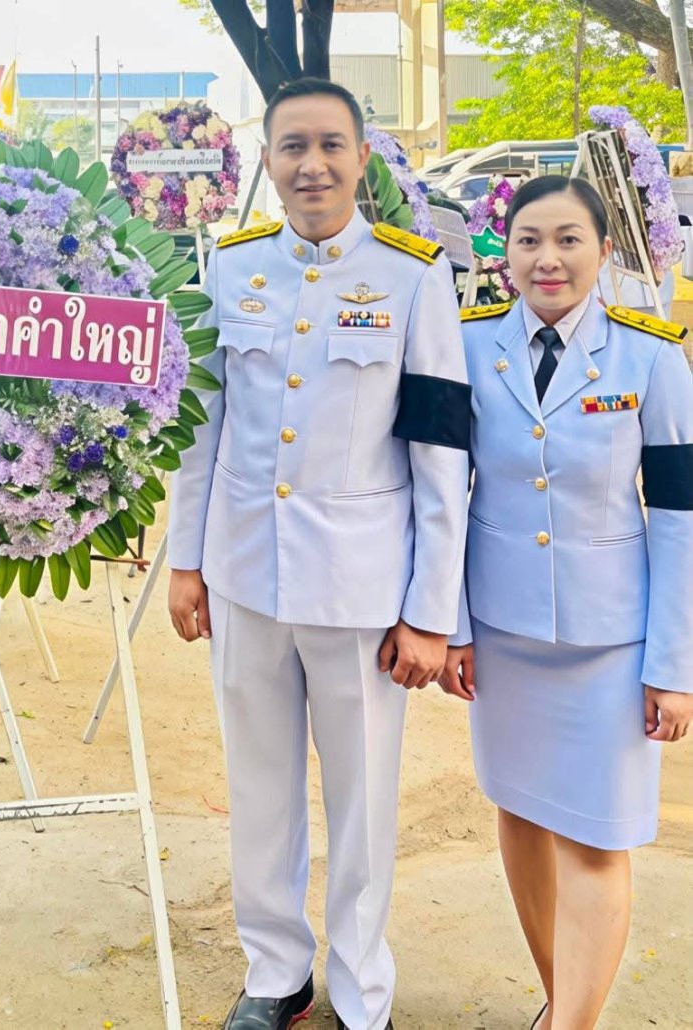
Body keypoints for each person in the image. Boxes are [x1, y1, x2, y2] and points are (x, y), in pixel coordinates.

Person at [167, 78, 471, 1030]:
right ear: (267, 160)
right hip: (246, 574)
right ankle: (275, 974)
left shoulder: (413, 277)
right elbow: (200, 428)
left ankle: (362, 990)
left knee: (363, 800)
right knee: (259, 786)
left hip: (361, 588)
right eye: (293, 146)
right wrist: (186, 561)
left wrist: (431, 610)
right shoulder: (229, 268)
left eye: (332, 145)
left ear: (362, 156)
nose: (313, 165)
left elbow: (442, 454)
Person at [441, 176, 693, 1030]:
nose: (547, 258)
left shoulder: (651, 358)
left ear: (604, 250)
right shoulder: (467, 345)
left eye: (568, 239)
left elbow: (680, 518)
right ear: (504, 252)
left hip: (609, 644)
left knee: (595, 836)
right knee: (520, 811)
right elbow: (442, 495)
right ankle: (561, 1003)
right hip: (502, 634)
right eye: (528, 240)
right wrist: (452, 626)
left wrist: (673, 667)